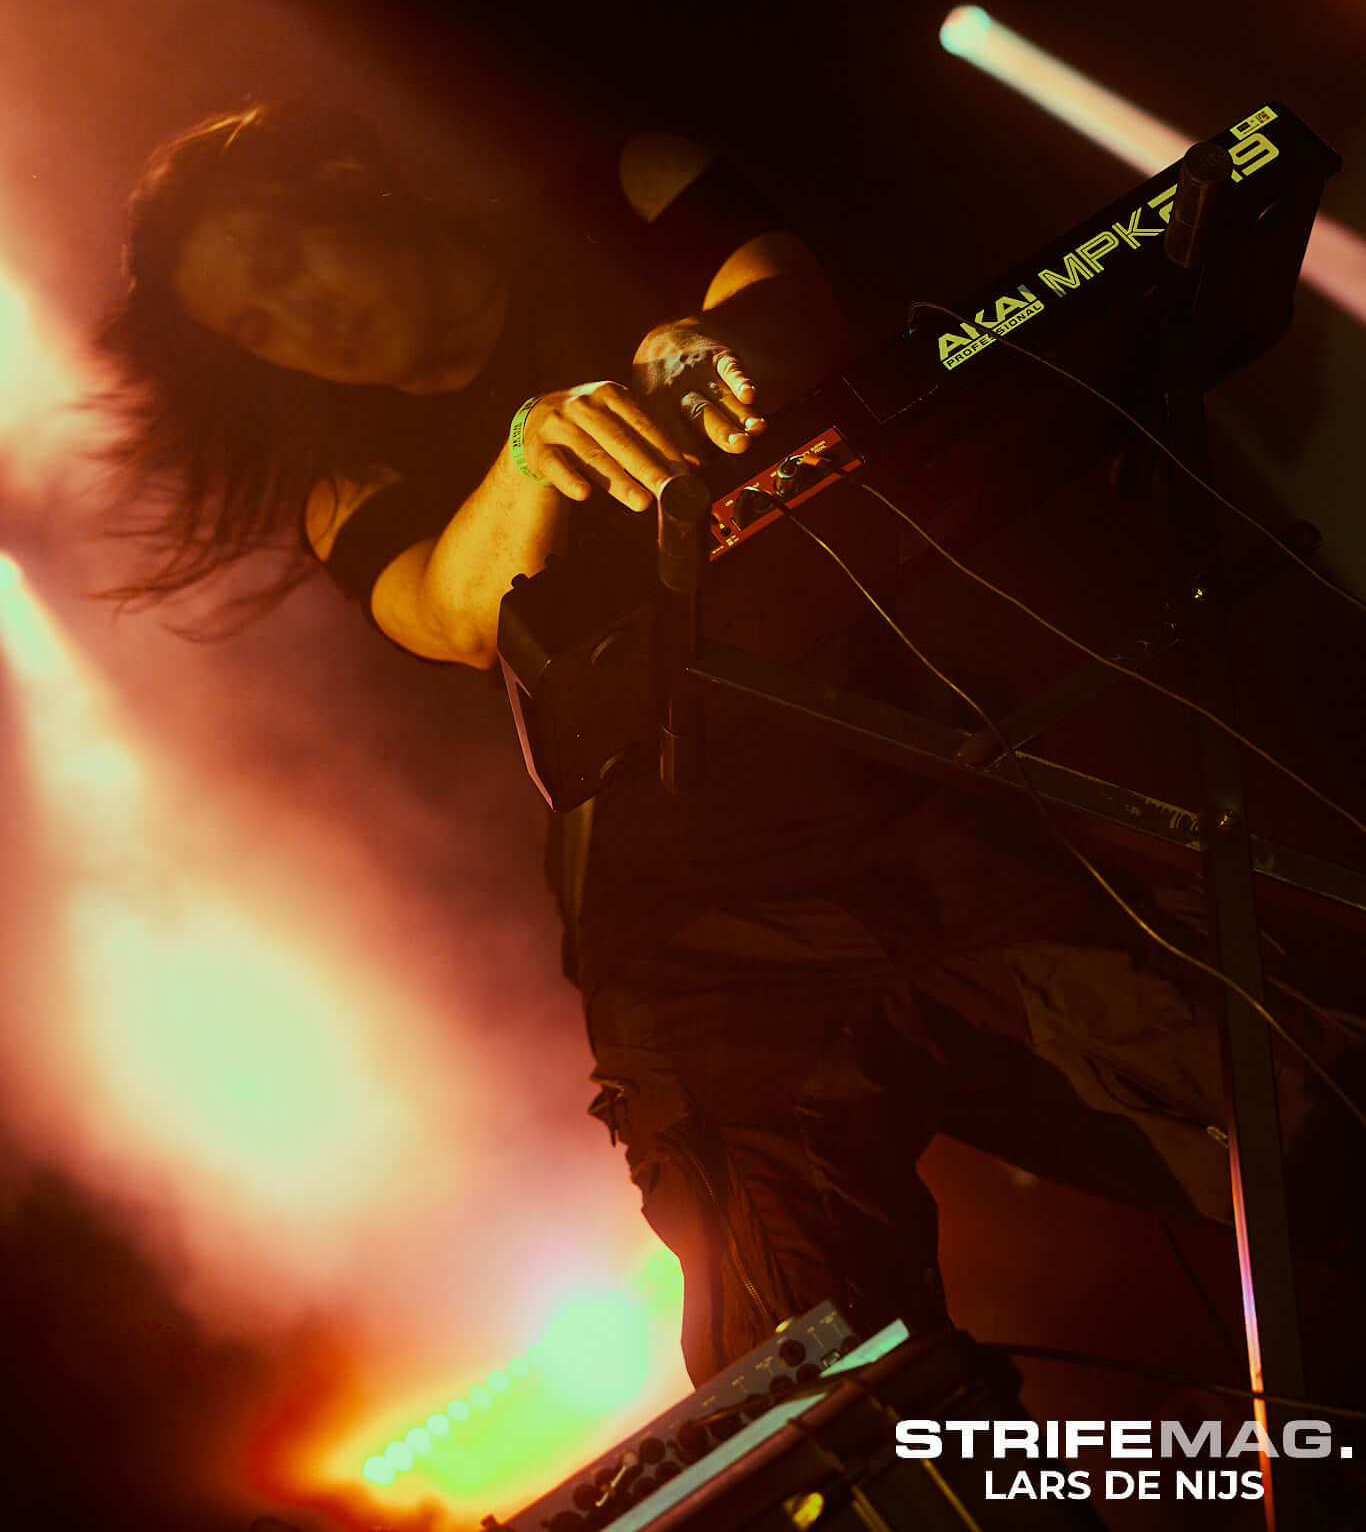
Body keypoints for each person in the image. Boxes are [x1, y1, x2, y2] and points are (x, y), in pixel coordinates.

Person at [99, 101, 1366, 1407]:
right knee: (807, 1355)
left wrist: (707, 348)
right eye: (257, 329)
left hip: (935, 812)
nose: (299, 324)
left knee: (1305, 1110)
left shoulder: (620, 185)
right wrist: (530, 450)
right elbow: (443, 611)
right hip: (701, 939)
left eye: (281, 266)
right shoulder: (347, 477)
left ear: (345, 180)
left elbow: (786, 302)